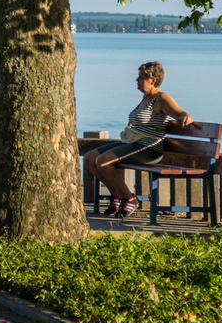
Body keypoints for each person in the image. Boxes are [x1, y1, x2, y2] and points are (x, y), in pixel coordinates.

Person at [82, 61, 192, 218]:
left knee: (102, 161)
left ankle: (130, 198)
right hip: (133, 142)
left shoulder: (162, 98)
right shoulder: (145, 98)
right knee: (89, 158)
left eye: (140, 78)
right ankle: (117, 196)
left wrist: (185, 116)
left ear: (152, 80)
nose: (136, 80)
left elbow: (179, 112)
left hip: (149, 148)